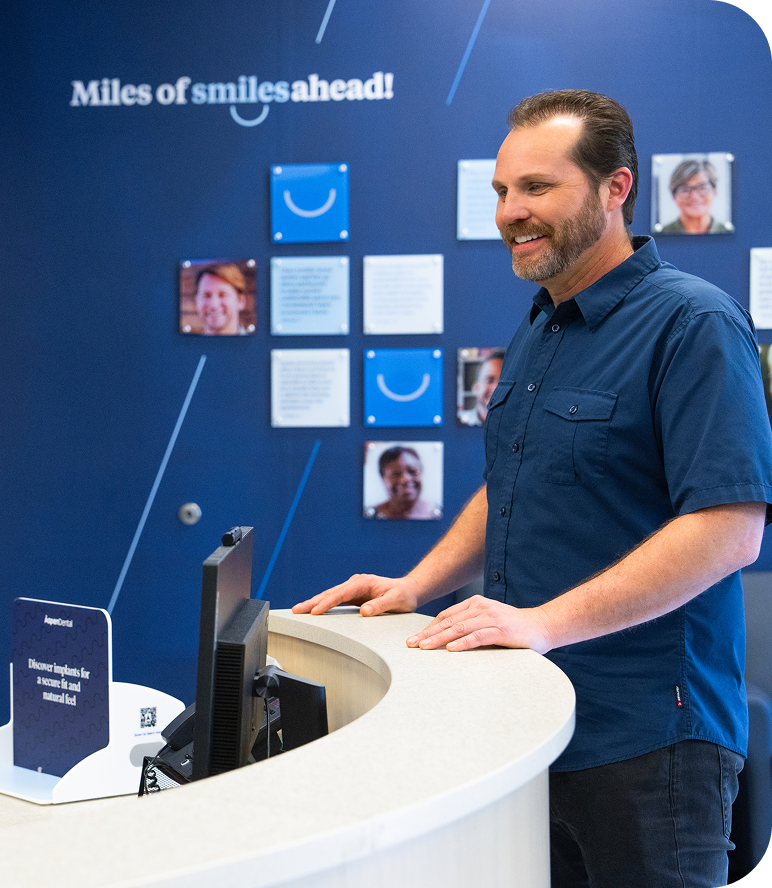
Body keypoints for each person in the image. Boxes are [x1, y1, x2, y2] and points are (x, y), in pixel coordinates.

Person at [295, 90, 772, 887]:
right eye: (502, 191)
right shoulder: (545, 324)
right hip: (533, 725)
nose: (511, 212)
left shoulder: (693, 324)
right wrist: (418, 584)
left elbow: (729, 530)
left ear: (616, 189)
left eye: (538, 188)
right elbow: (515, 478)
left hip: (650, 741)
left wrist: (542, 623)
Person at [659, 157, 732, 234]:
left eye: (702, 187)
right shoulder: (660, 236)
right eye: (685, 189)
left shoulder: (729, 234)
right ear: (673, 195)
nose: (694, 196)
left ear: (714, 191)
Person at [369, 445, 438, 520]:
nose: (405, 479)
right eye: (395, 474)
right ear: (383, 478)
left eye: (412, 471)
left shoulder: (440, 514)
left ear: (421, 472)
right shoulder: (370, 516)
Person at [192, 262, 252, 335]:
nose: (214, 305)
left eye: (222, 295)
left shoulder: (258, 346)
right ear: (196, 301)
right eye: (206, 295)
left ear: (241, 301)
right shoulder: (184, 346)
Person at [455, 349, 504, 426]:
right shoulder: (462, 423)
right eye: (489, 380)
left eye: (502, 382)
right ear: (476, 388)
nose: (496, 388)